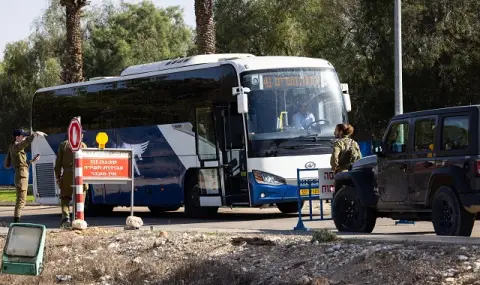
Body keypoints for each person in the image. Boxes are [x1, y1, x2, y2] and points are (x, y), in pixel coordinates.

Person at [3, 129, 46, 222]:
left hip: (22, 174)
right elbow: (26, 143)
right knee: (21, 200)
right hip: (21, 176)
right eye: (23, 136)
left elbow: (22, 163)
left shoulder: (15, 147)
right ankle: (16, 222)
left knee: (22, 200)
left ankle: (16, 220)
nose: (25, 138)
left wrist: (32, 161)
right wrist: (34, 135)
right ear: (17, 137)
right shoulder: (15, 146)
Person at [55, 131, 88, 227]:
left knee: (65, 198)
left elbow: (58, 164)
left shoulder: (64, 145)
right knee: (81, 197)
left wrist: (58, 177)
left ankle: (66, 219)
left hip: (67, 175)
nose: (82, 135)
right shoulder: (83, 145)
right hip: (81, 175)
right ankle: (79, 219)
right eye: (81, 133)